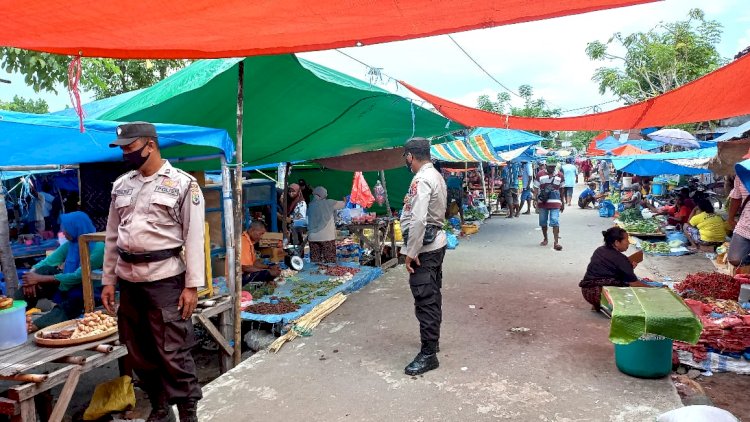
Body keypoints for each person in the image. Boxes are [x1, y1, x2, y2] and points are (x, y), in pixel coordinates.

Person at [101, 122, 204, 422]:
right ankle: (160, 408)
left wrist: (192, 286)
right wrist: (108, 280)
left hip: (166, 280)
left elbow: (194, 236)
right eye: (122, 148)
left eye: (130, 147)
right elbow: (111, 236)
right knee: (138, 349)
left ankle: (187, 412)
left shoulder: (183, 184)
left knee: (173, 350)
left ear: (150, 145)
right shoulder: (121, 185)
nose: (125, 154)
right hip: (129, 281)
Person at [400, 137, 447, 376]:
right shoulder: (436, 175)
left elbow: (418, 219)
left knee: (425, 299)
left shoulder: (422, 178)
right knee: (432, 295)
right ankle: (433, 342)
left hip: (425, 249)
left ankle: (429, 354)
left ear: (410, 156)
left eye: (406, 157)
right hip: (435, 243)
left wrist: (411, 252)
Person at [16, 211, 104, 331]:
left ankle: (33, 326)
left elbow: (79, 276)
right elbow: (46, 262)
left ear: (76, 227)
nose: (63, 231)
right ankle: (12, 311)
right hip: (67, 287)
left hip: (91, 292)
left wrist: (39, 279)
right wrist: (29, 278)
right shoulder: (72, 244)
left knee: (72, 304)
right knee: (44, 270)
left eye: (66, 228)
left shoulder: (99, 247)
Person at [579, 227, 649, 311]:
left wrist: (628, 267)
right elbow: (634, 283)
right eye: (626, 240)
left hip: (586, 292)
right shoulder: (620, 259)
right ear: (616, 242)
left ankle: (598, 305)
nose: (629, 243)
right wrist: (655, 289)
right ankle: (606, 305)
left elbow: (608, 270)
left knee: (620, 280)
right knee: (635, 290)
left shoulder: (599, 250)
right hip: (599, 294)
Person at [307, 186, 345, 263]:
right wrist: (343, 197)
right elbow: (343, 204)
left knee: (315, 263)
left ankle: (315, 275)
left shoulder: (310, 205)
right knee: (330, 262)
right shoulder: (329, 203)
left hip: (312, 238)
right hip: (327, 237)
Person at [533, 159, 565, 251]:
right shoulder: (540, 174)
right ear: (546, 165)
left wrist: (563, 202)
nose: (552, 168)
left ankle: (556, 242)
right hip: (543, 202)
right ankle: (545, 238)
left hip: (555, 201)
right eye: (550, 166)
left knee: (555, 220)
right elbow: (535, 188)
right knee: (543, 221)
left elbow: (562, 190)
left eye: (553, 166)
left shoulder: (560, 175)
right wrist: (535, 199)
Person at [728, 174, 750, 266]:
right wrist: (731, 218)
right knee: (734, 259)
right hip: (745, 225)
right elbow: (736, 198)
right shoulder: (742, 173)